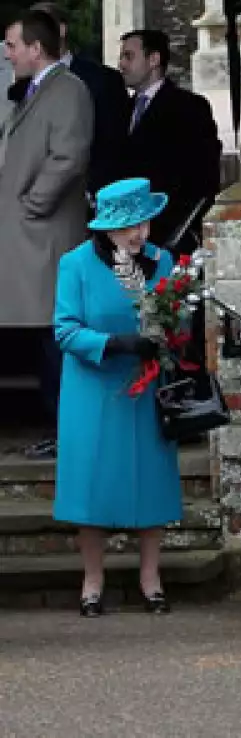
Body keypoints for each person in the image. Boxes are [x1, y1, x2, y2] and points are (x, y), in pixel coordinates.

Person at [52, 178, 182, 617]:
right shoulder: (76, 265)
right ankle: (93, 580)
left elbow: (176, 317)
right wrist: (117, 343)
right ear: (106, 227)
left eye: (143, 223)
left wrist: (166, 335)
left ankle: (151, 578)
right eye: (129, 226)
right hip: (93, 391)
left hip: (147, 390)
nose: (139, 234)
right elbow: (65, 329)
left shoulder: (161, 262)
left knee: (153, 482)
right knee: (91, 485)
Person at [2, 9, 92, 461]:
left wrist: (31, 205)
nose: (7, 53)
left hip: (46, 237)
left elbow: (68, 157)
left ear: (36, 49)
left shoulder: (68, 90)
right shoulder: (36, 91)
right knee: (45, 338)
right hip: (29, 240)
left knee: (56, 337)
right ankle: (59, 428)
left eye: (13, 45)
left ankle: (67, 431)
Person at [115, 29, 222, 254]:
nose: (121, 64)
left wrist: (179, 227)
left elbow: (204, 176)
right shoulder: (119, 110)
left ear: (154, 59)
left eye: (129, 56)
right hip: (123, 234)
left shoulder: (189, 107)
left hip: (169, 234)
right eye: (121, 57)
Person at [30, 2, 130, 193]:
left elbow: (114, 145)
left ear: (61, 30)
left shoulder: (103, 80)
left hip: (85, 201)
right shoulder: (20, 84)